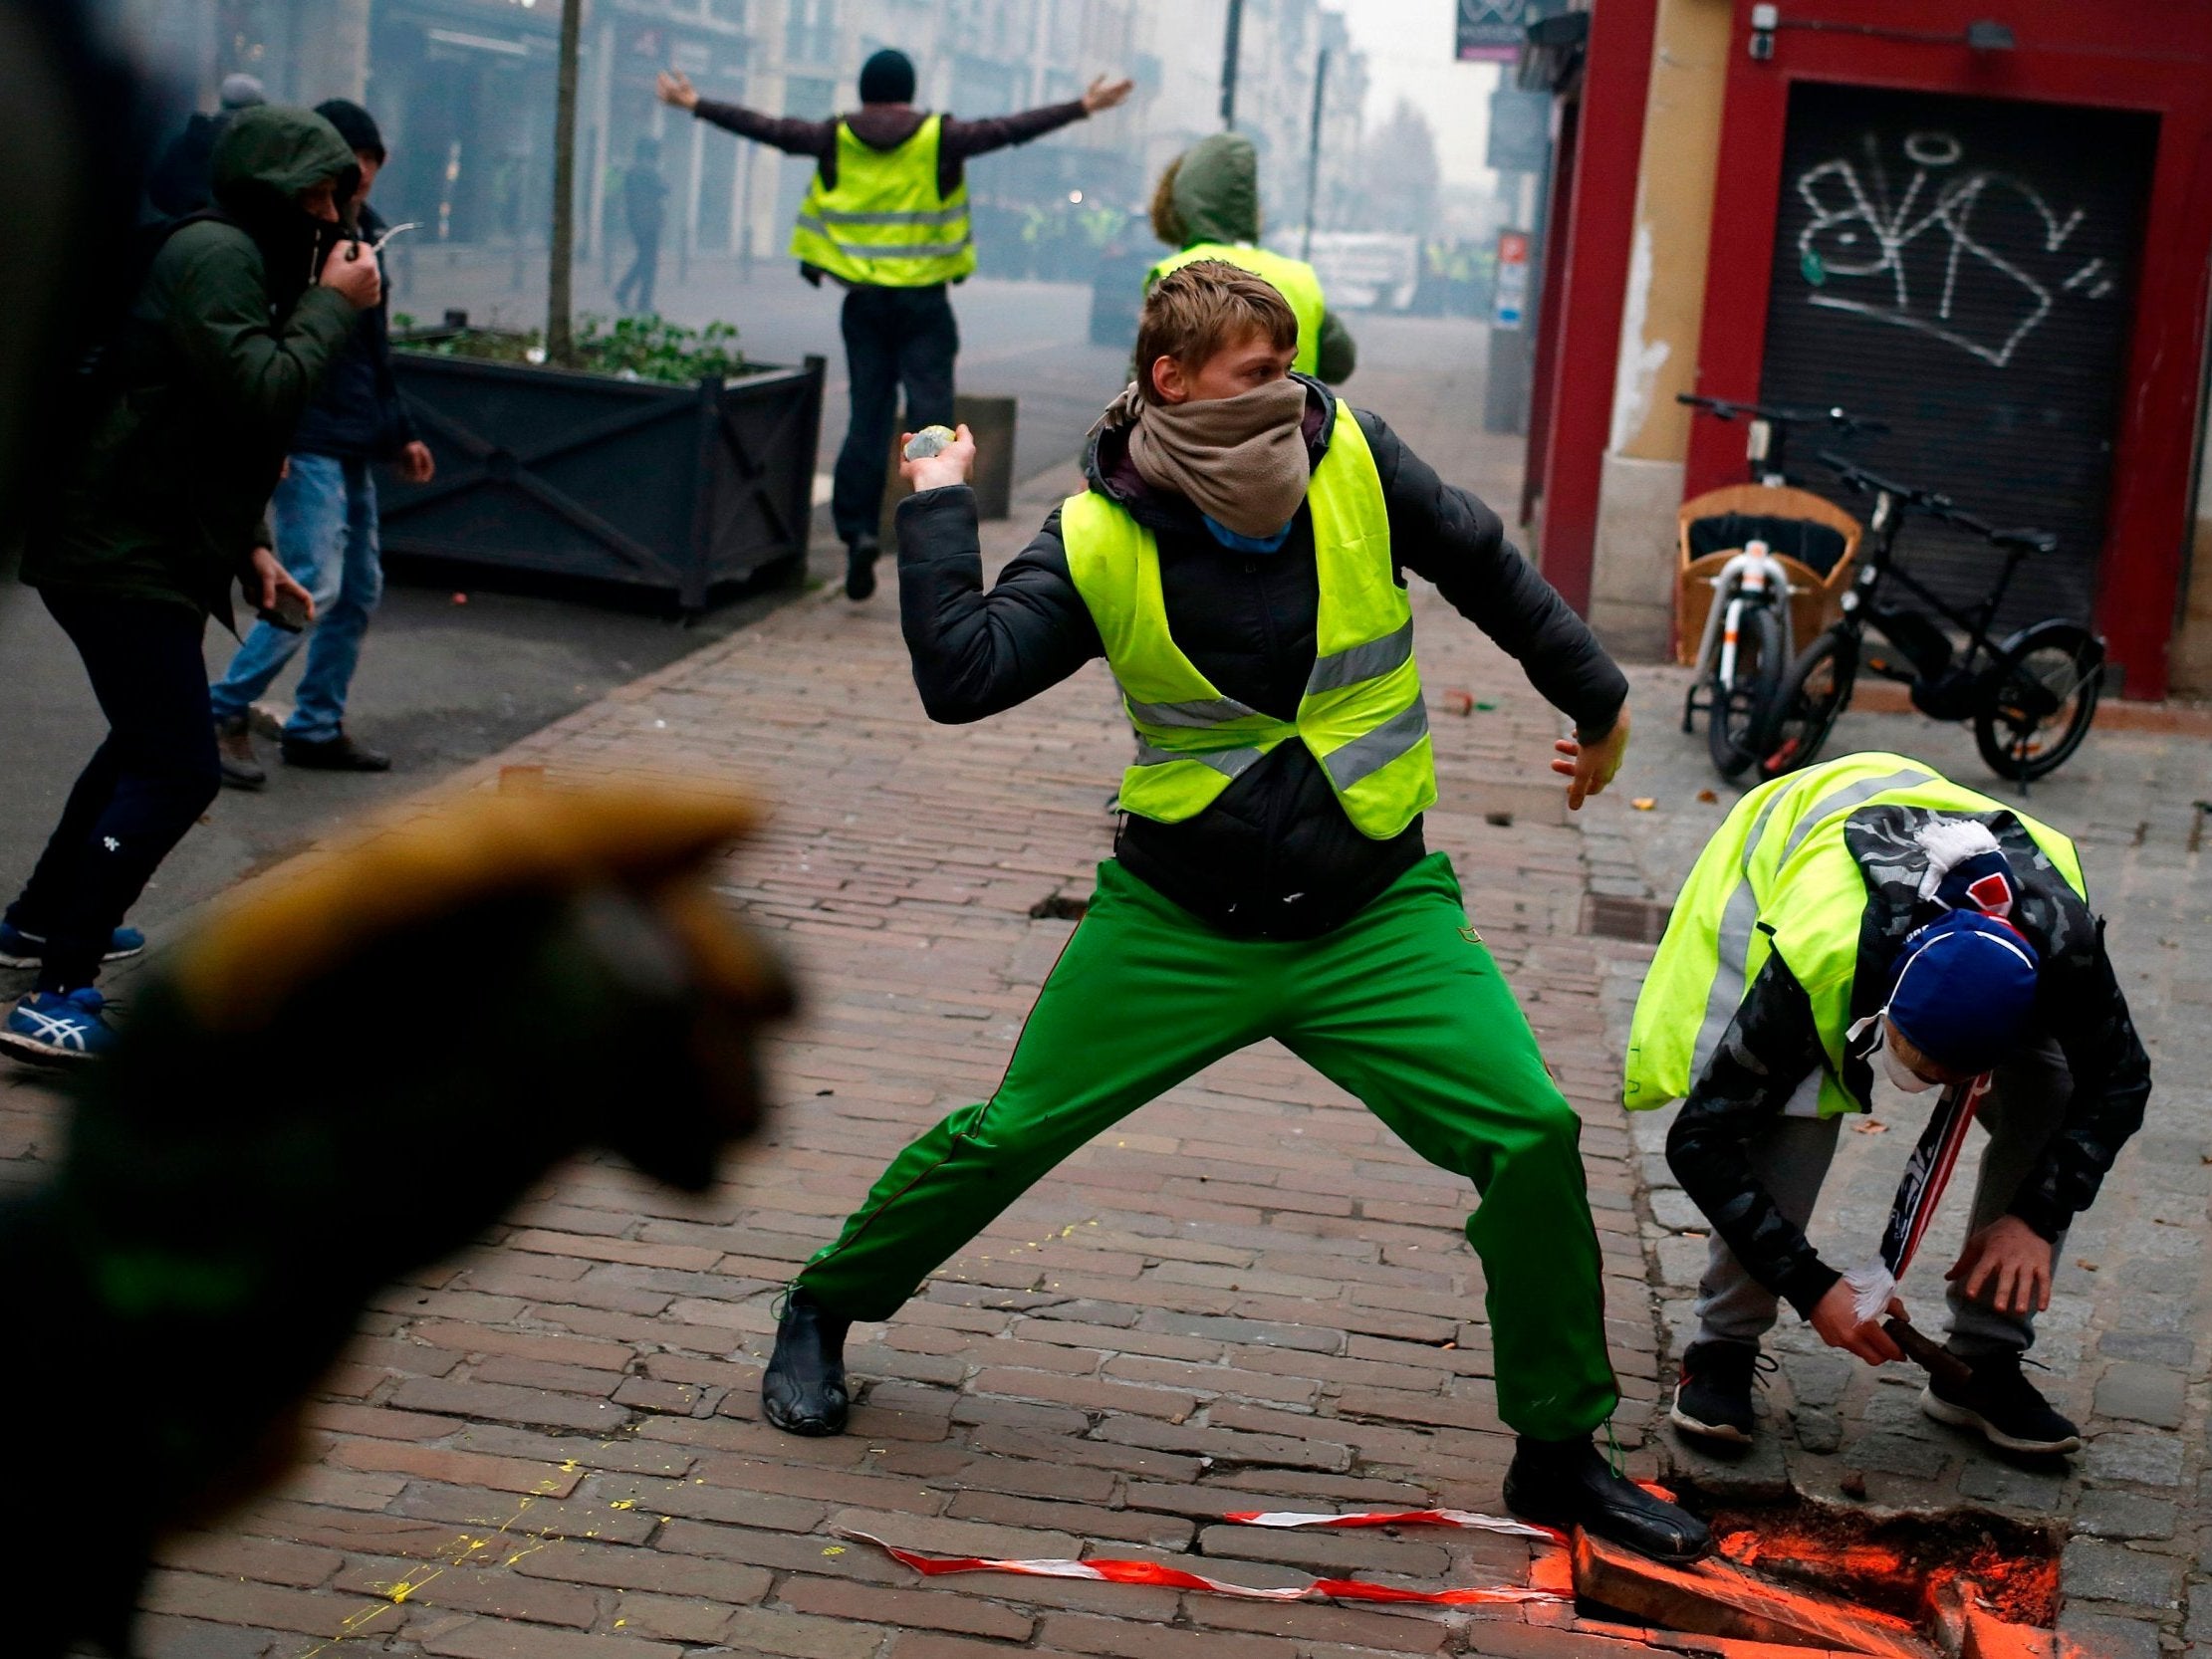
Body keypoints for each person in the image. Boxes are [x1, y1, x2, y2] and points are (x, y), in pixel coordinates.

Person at [755, 260, 1709, 1563]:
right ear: (1173, 381)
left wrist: (1596, 700)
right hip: (1180, 918)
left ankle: (1559, 1449)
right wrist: (936, 503)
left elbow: (1484, 561)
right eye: (1258, 375)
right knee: (1009, 1132)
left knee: (1531, 1130)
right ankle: (824, 1303)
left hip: (1375, 911)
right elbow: (963, 675)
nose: (1290, 397)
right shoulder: (1098, 531)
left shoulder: (1353, 455)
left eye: (1293, 369)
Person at [1625, 753, 2150, 1456]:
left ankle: (1982, 1363)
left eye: (1956, 1073)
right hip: (1790, 845)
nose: (1933, 1083)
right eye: (1918, 1061)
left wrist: (2034, 1213)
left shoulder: (2063, 949)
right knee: (1790, 1106)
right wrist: (1810, 1286)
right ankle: (1721, 1346)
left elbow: (2120, 1082)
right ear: (1884, 1007)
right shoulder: (1820, 957)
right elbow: (1698, 1141)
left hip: (1980, 902)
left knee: (2053, 1092)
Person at [0, 105, 372, 1063]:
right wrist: (335, 306)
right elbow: (260, 389)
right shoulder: (217, 254)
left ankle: (43, 921)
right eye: (322, 195)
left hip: (142, 540)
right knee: (177, 765)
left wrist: (249, 547)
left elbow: (203, 420)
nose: (336, 217)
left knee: (143, 742)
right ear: (274, 192)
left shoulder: (243, 253)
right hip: (112, 548)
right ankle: (59, 993)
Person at [657, 49, 1134, 602]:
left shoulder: (837, 137)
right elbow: (1009, 130)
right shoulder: (939, 136)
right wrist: (1082, 105)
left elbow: (770, 130)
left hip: (863, 304)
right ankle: (928, 533)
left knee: (868, 414)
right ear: (909, 91)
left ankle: (858, 530)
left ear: (863, 91)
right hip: (925, 304)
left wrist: (695, 103)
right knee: (931, 417)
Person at [209, 99, 433, 788]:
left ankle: (314, 724)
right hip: (308, 433)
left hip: (353, 436)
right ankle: (219, 709)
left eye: (366, 161)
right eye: (347, 162)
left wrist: (400, 433)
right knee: (315, 586)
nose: (357, 175)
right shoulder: (303, 231)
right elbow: (283, 343)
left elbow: (370, 350)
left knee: (359, 588)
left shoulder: (360, 228)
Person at [1146, 132, 1354, 383]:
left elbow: (1144, 381)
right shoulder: (1298, 276)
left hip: (1207, 422)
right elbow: (1340, 362)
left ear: (1180, 204)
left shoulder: (1173, 272)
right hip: (1296, 419)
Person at [145, 72, 264, 216]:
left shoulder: (185, 140)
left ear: (222, 101)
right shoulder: (259, 147)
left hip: (184, 229)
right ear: (257, 105)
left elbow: (159, 191)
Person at [614, 134, 666, 317]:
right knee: (649, 261)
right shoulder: (647, 169)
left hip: (636, 221)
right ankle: (640, 300)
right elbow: (664, 188)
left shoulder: (632, 170)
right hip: (649, 222)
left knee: (644, 259)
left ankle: (627, 292)